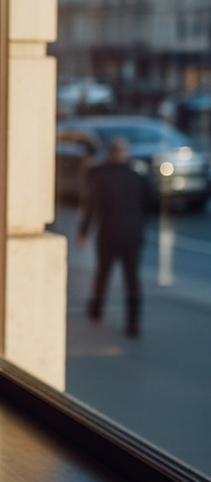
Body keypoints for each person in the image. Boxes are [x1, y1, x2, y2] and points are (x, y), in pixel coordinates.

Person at [78, 136, 150, 337]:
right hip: (132, 235)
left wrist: (84, 232)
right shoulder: (138, 177)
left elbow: (92, 206)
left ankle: (96, 309)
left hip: (108, 234)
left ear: (110, 154)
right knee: (132, 278)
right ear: (127, 155)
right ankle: (133, 323)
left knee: (103, 273)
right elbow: (149, 204)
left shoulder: (101, 176)